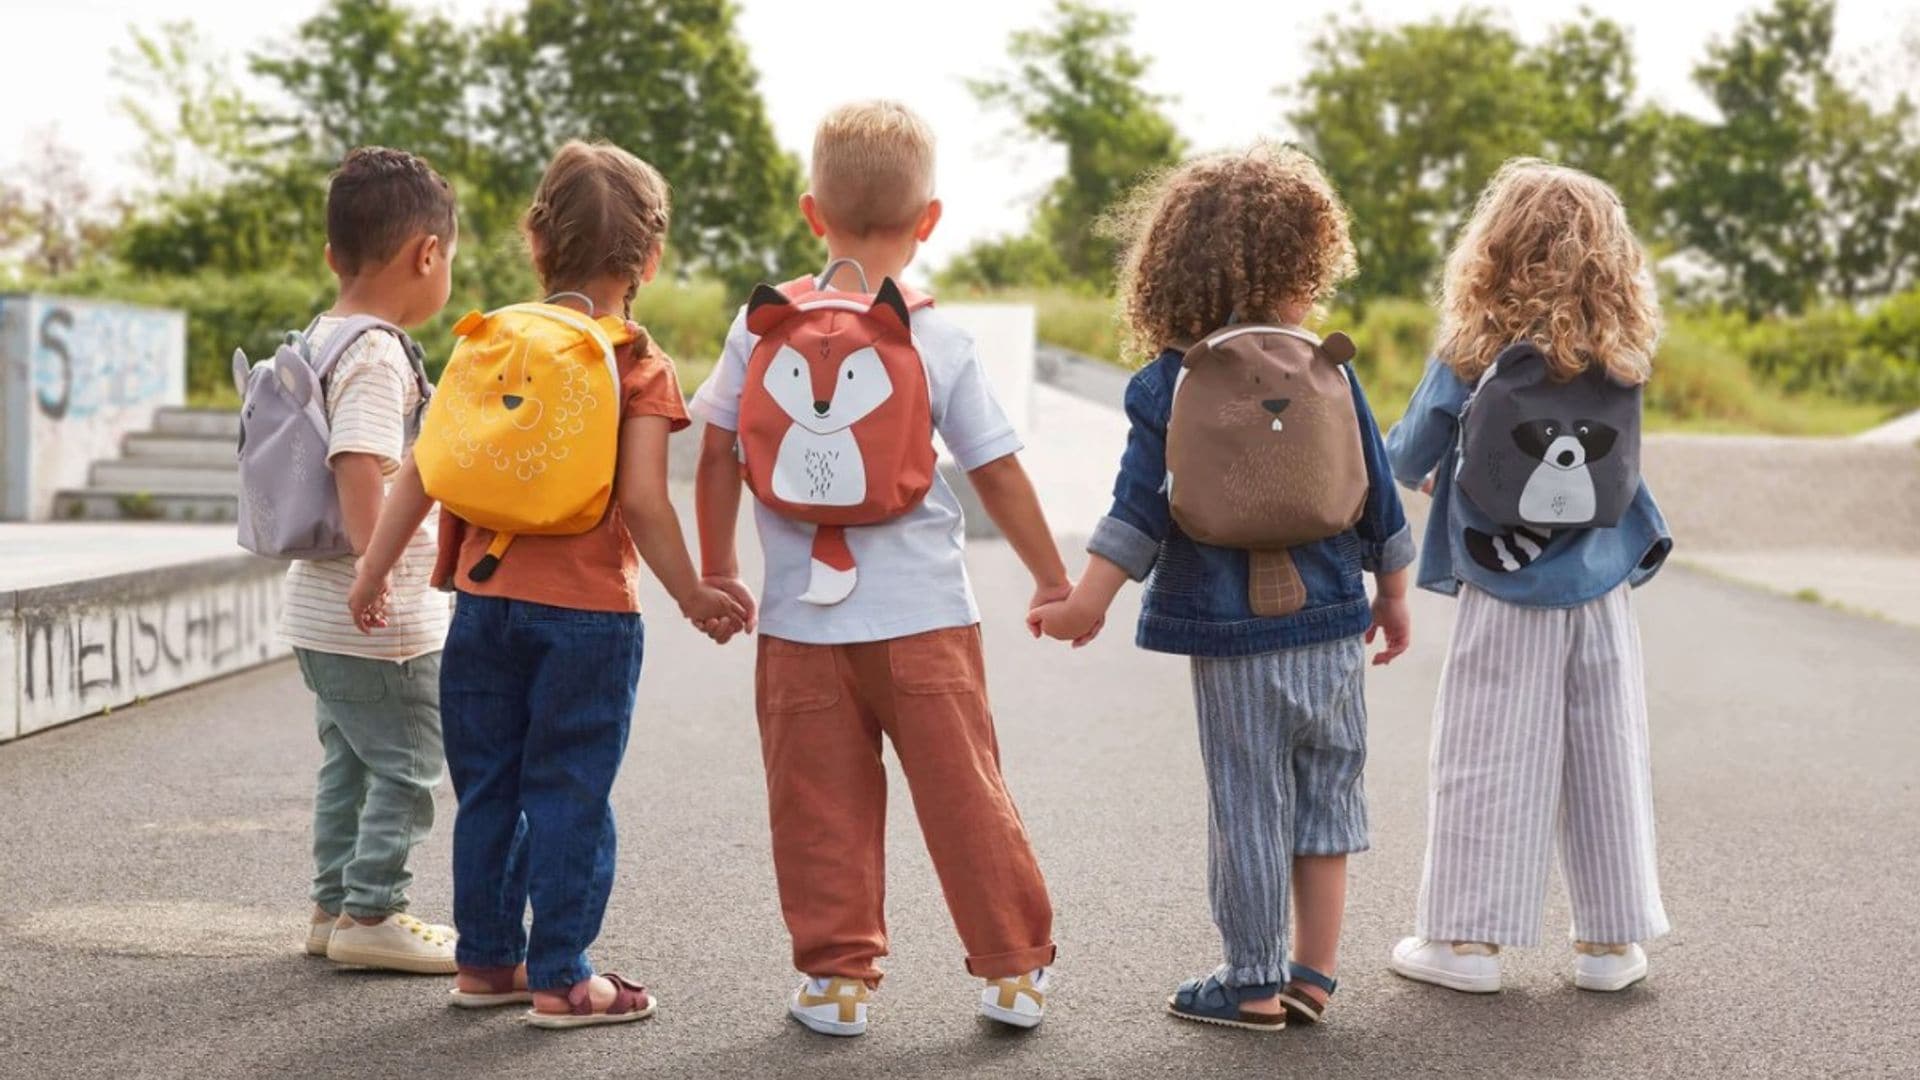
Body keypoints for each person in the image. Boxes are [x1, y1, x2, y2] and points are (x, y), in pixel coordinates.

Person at [689, 100, 1065, 1036]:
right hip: (926, 616)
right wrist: (1053, 580)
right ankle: (1014, 970)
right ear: (929, 220)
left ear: (812, 212)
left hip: (799, 627)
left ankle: (837, 980)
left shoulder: (758, 324)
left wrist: (718, 565)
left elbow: (713, 451)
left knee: (817, 805)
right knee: (964, 791)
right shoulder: (933, 337)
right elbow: (997, 471)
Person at [348, 140, 743, 1029]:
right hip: (589, 618)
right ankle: (566, 977)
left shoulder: (487, 344)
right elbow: (642, 502)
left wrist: (375, 568)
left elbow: (423, 469)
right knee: (568, 793)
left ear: (536, 244)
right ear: (650, 258)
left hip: (480, 610)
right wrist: (694, 593)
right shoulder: (635, 358)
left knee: (488, 789)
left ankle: (488, 962)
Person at [1030, 143, 1414, 1031]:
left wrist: (1085, 601)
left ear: (1171, 266)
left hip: (1232, 640)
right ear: (1308, 259)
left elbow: (1138, 509)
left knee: (1250, 808)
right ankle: (1313, 977)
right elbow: (1378, 497)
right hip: (1331, 628)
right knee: (1327, 797)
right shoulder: (1330, 366)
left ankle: (1250, 983)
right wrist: (1392, 598)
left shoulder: (1173, 379)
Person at [1384, 158, 1672, 995]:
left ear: (1493, 251)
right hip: (1601, 584)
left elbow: (1408, 455)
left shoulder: (1475, 348)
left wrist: (1456, 467)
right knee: (1606, 755)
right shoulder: (1621, 355)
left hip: (1503, 585)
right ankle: (1610, 946)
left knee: (1486, 754)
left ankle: (1467, 944)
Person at [284, 146, 459, 975]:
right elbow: (359, 459)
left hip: (315, 614)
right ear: (428, 254)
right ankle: (373, 912)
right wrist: (377, 570)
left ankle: (330, 906)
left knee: (350, 761)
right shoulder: (380, 354)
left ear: (332, 256)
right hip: (375, 619)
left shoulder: (317, 338)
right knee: (412, 766)